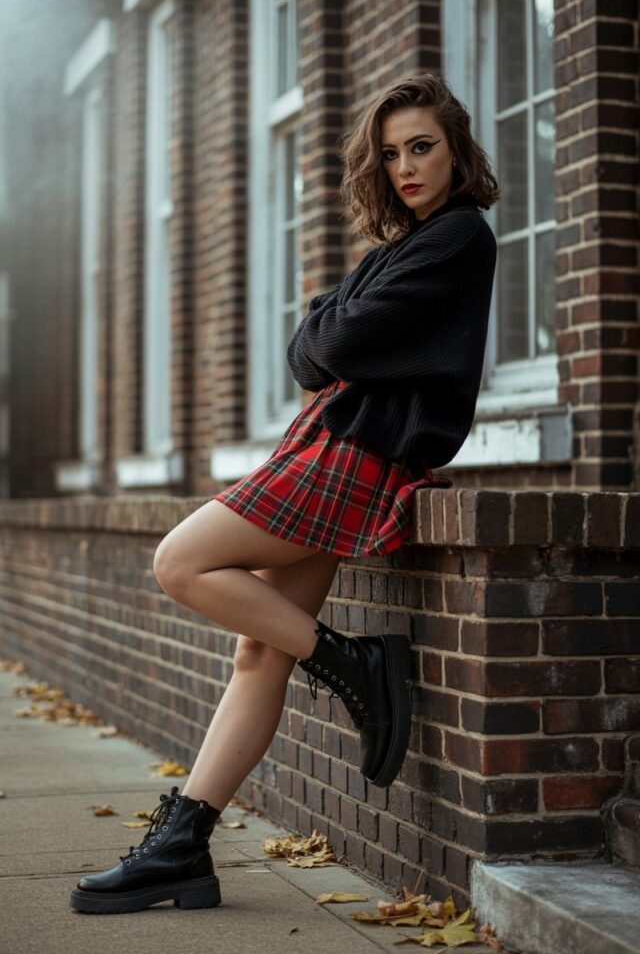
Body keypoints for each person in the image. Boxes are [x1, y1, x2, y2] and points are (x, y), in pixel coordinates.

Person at [70, 72, 499, 914]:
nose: (406, 167)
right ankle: (183, 846)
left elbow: (331, 340)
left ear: (456, 151)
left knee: (179, 561)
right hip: (333, 442)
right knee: (259, 652)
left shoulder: (457, 237)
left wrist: (327, 329)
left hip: (357, 452)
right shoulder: (399, 248)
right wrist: (327, 330)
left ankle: (354, 663)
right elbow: (313, 350)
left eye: (422, 147)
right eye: (391, 154)